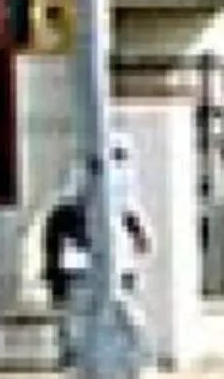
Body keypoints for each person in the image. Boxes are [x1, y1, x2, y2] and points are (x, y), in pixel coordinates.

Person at [40, 143, 151, 362]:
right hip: (81, 279)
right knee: (81, 329)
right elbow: (56, 251)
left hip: (113, 276)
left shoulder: (120, 207)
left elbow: (143, 242)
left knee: (128, 324)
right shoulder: (67, 211)